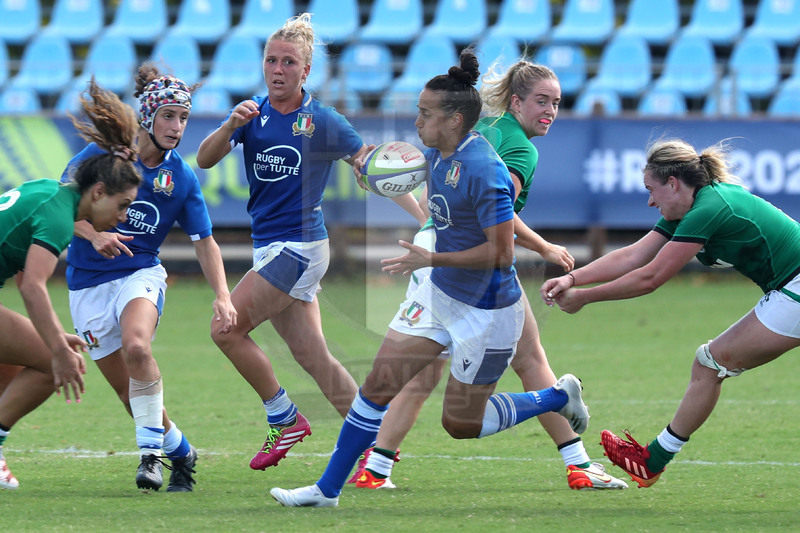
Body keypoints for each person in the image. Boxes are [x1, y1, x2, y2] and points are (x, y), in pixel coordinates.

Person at [269, 49, 590, 508]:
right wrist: (377, 175)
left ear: (454, 120)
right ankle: (327, 490)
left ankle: (555, 397)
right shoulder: (439, 153)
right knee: (377, 386)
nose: (416, 121)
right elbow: (415, 187)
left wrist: (432, 259)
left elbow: (501, 253)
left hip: (486, 311)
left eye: (424, 113)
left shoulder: (486, 169)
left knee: (460, 424)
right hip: (439, 294)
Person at [350, 60, 627, 491]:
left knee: (430, 370)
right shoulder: (519, 149)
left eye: (556, 102)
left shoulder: (482, 126)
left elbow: (439, 185)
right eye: (541, 101)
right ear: (515, 101)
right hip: (458, 263)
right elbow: (497, 214)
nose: (550, 111)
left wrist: (384, 181)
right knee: (527, 359)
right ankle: (578, 463)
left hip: (437, 249)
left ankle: (377, 467)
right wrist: (543, 246)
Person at [195, 13, 424, 471]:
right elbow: (204, 160)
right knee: (314, 357)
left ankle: (284, 418)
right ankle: (375, 449)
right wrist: (229, 126)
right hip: (271, 248)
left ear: (306, 70)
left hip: (299, 248)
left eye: (288, 62)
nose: (278, 70)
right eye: (271, 60)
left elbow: (375, 169)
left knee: (225, 329)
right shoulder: (251, 114)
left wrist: (424, 221)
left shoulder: (323, 120)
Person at [540, 138, 800, 488]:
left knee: (710, 363)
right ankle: (652, 461)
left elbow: (650, 278)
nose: (650, 201)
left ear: (674, 184)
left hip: (794, 289)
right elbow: (634, 255)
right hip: (789, 290)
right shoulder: (695, 207)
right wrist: (572, 278)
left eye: (652, 190)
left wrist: (585, 298)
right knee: (709, 364)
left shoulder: (708, 209)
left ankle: (652, 462)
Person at [62, 65, 238, 492]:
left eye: (183, 117)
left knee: (138, 346)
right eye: (168, 116)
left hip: (139, 275)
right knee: (131, 397)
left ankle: (149, 457)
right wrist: (94, 234)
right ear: (147, 116)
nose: (177, 127)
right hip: (86, 285)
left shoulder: (182, 178)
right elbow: (59, 207)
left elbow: (205, 242)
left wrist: (223, 295)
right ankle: (183, 453)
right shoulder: (103, 157)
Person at [0, 79, 142, 490]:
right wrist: (59, 350)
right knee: (51, 362)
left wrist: (53, 336)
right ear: (98, 192)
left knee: (26, 358)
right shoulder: (60, 219)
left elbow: (23, 268)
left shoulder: (50, 191)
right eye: (122, 205)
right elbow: (32, 287)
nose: (123, 216)